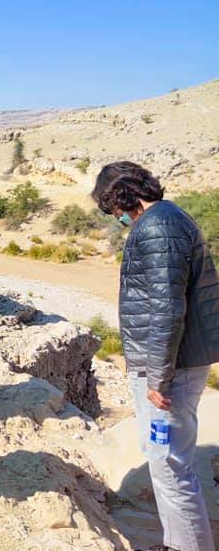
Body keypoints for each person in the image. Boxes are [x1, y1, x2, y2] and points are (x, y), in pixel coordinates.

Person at [92, 161, 219, 551]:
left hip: (171, 370)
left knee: (169, 465)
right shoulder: (167, 218)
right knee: (165, 459)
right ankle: (177, 542)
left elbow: (166, 309)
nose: (115, 218)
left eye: (111, 209)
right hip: (174, 365)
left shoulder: (158, 227)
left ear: (120, 197)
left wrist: (157, 379)